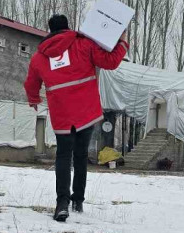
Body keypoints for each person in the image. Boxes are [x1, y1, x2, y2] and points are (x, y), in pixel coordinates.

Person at [24, 14, 129, 222]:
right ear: (67, 27)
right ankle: (78, 201)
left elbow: (31, 83)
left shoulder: (38, 57)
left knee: (63, 156)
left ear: (50, 31)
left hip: (62, 113)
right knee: (80, 156)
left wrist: (34, 99)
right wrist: (123, 42)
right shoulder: (83, 44)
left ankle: (62, 203)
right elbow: (109, 61)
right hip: (85, 111)